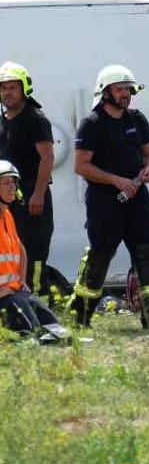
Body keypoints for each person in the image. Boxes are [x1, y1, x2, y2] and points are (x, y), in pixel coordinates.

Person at [69, 65, 149, 331]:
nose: (125, 94)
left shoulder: (137, 119)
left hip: (138, 201)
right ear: (105, 92)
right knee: (99, 258)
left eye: (128, 89)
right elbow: (81, 166)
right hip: (105, 203)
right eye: (119, 89)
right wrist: (117, 180)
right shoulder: (92, 124)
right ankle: (79, 317)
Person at [0, 62, 55, 303]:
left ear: (24, 90)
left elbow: (47, 157)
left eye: (13, 87)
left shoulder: (35, 119)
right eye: (3, 88)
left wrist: (38, 194)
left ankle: (38, 300)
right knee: (10, 249)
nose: (7, 92)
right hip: (6, 197)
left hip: (32, 194)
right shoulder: (2, 119)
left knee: (34, 252)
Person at [0, 161, 70, 343]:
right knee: (31, 334)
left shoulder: (7, 215)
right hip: (3, 298)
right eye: (6, 182)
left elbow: (20, 248)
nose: (12, 187)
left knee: (55, 328)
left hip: (13, 293)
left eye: (14, 182)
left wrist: (21, 280)